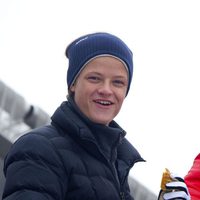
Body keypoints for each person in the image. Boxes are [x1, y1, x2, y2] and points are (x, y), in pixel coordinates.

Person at [2, 32, 145, 200]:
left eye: (118, 82)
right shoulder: (38, 148)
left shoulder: (115, 163)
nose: (106, 90)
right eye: (94, 78)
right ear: (73, 84)